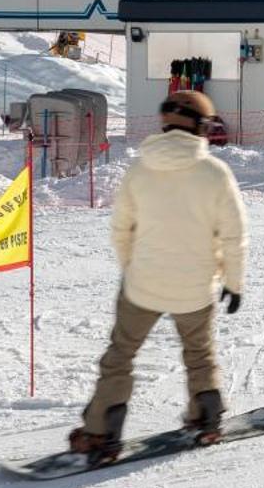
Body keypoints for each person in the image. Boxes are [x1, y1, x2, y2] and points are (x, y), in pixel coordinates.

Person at [70, 91, 247, 466]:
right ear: (202, 127)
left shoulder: (139, 168)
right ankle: (207, 416)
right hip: (196, 287)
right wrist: (234, 282)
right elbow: (234, 235)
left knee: (121, 356)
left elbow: (121, 229)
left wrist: (132, 268)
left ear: (164, 124)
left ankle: (101, 432)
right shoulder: (215, 173)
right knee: (199, 354)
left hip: (143, 285)